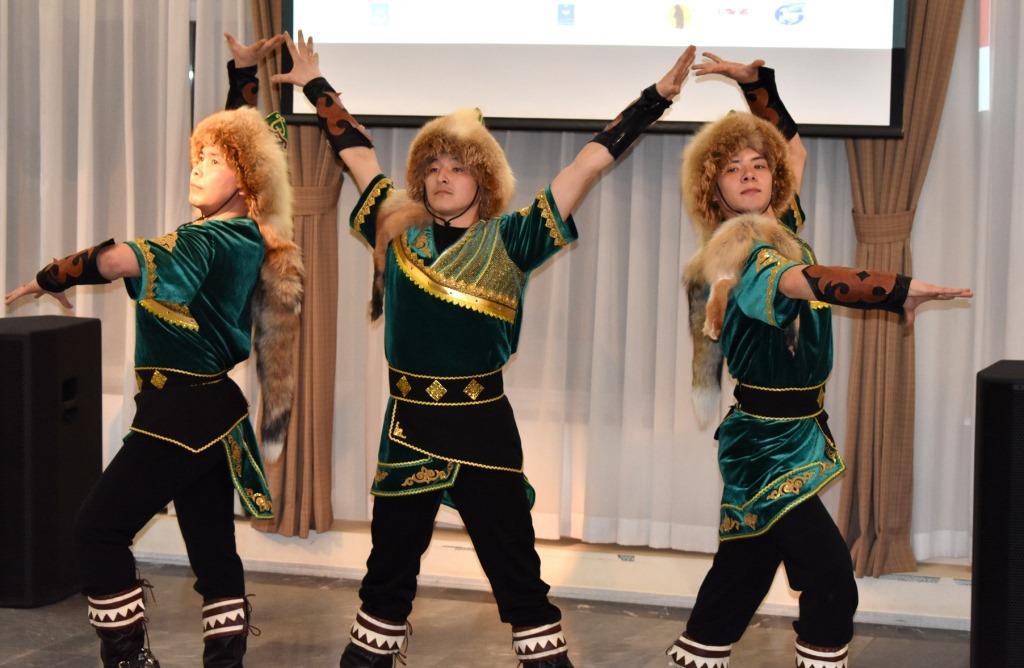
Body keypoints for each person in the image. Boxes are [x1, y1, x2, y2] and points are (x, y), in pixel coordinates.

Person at [272, 30, 697, 667]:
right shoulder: (397, 228)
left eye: (458, 167)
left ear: (485, 179)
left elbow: (585, 166)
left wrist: (654, 99)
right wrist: (314, 84)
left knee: (517, 573)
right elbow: (356, 152)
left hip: (483, 430)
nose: (442, 177)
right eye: (433, 168)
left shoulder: (514, 239)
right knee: (387, 571)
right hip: (408, 427)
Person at [667, 54, 973, 668]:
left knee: (744, 569)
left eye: (758, 166)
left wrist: (757, 84)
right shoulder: (742, 254)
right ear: (713, 189)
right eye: (733, 169)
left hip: (791, 429)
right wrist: (895, 290)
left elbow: (794, 150)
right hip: (764, 442)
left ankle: (696, 655)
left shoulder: (776, 224)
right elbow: (800, 281)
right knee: (831, 577)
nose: (749, 175)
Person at [4, 35, 300, 668]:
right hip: (212, 411)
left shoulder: (207, 243)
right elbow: (259, 142)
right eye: (197, 156)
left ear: (245, 180)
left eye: (213, 161)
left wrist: (50, 277)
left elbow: (118, 259)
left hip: (181, 414)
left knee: (97, 529)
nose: (196, 167)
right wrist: (243, 77)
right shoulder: (244, 234)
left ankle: (128, 661)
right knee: (212, 549)